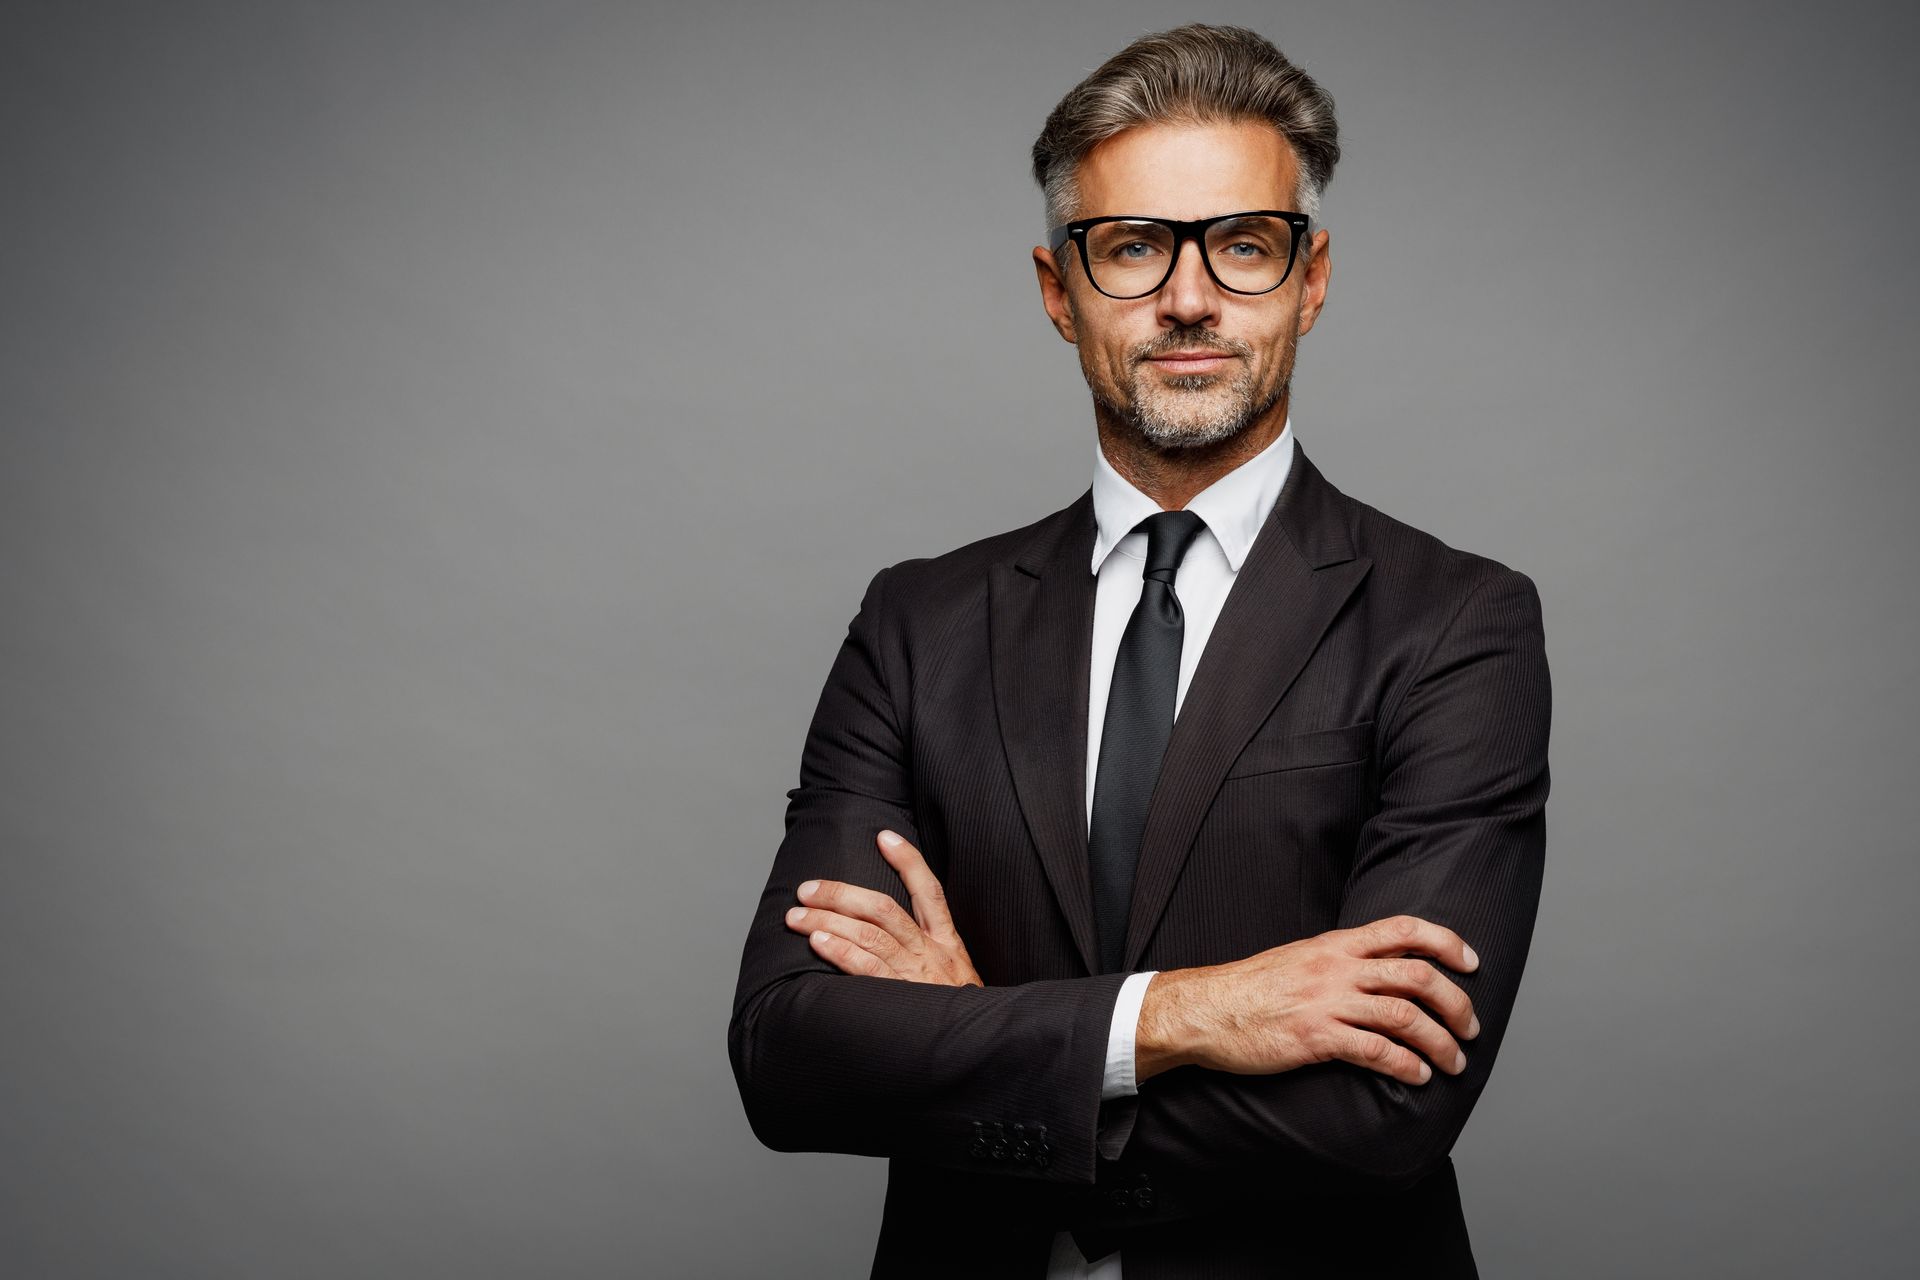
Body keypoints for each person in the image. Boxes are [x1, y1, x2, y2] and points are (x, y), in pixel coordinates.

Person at [727, 23, 1550, 1279]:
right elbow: (791, 1055)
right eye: (1130, 248)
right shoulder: (917, 623)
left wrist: (968, 1036)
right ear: (1059, 292)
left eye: (1243, 244)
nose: (1187, 295)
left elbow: (1386, 1107)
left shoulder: (1456, 623)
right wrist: (1190, 1014)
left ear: (1310, 278)